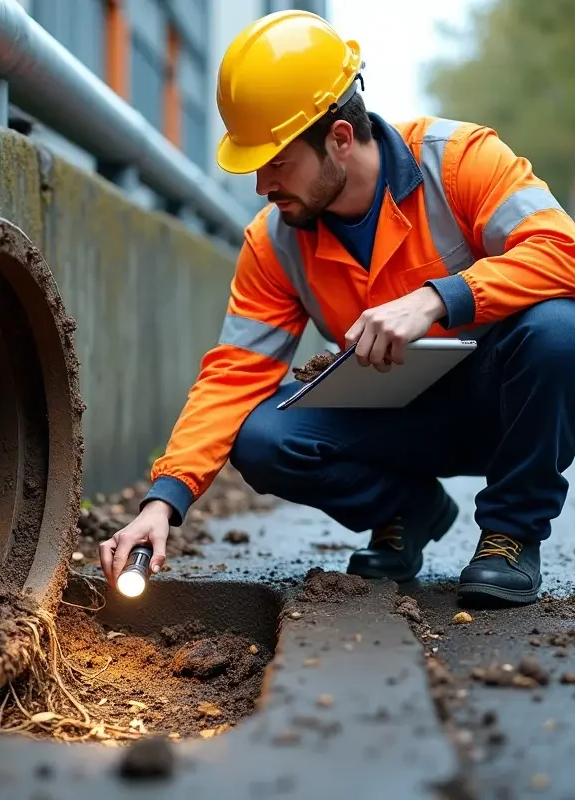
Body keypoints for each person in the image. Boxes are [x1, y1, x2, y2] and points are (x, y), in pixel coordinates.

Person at [99, 10, 575, 606]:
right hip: (395, 424)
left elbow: (564, 249)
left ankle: (510, 535)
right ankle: (409, 508)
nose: (261, 185)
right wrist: (164, 500)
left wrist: (438, 298)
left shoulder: (460, 161)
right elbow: (234, 373)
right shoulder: (275, 240)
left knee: (558, 330)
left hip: (502, 407)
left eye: (276, 162)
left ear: (340, 140)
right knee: (263, 437)